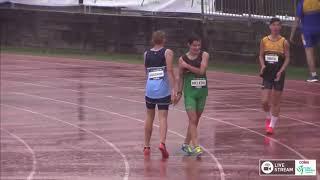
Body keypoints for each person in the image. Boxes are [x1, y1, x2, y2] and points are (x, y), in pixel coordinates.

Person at [143, 31, 176, 159]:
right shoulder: (167, 52)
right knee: (162, 117)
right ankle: (162, 143)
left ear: (153, 40)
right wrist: (174, 89)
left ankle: (146, 146)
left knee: (149, 116)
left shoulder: (146, 54)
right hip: (162, 90)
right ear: (163, 40)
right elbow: (170, 70)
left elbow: (146, 72)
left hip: (150, 89)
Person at [176, 35, 209, 156]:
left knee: (195, 121)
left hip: (202, 92)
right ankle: (196, 146)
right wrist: (179, 92)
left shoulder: (204, 55)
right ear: (188, 45)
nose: (197, 47)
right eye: (194, 45)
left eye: (199, 45)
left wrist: (188, 66)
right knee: (193, 119)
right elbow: (180, 76)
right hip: (189, 93)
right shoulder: (182, 59)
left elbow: (202, 71)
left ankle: (185, 145)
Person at [260, 18, 290, 135]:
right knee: (264, 101)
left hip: (278, 74)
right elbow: (261, 55)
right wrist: (262, 65)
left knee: (276, 102)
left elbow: (287, 58)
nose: (276, 27)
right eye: (274, 25)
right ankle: (268, 117)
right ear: (270, 26)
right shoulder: (264, 40)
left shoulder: (284, 42)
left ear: (280, 27)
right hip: (267, 73)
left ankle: (271, 126)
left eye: (278, 25)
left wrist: (281, 71)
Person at [290, 0, 320, 82]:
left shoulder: (302, 3)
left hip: (307, 32)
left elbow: (297, 20)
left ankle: (313, 75)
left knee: (309, 52)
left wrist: (292, 35)